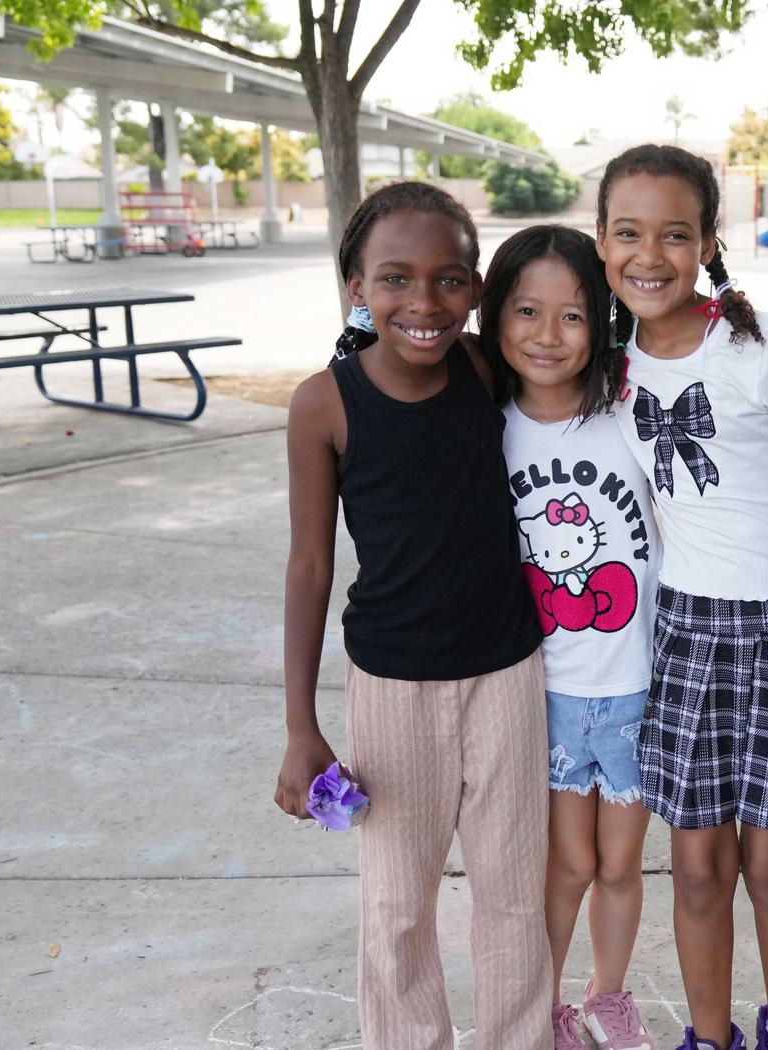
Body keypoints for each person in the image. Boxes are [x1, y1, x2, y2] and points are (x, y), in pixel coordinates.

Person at [275, 181, 550, 1050]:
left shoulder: (481, 370)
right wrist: (298, 726)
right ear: (356, 284)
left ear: (476, 288)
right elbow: (310, 563)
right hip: (391, 684)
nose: (425, 303)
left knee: (513, 891)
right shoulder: (324, 402)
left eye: (451, 279)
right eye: (395, 278)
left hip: (508, 672)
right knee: (398, 901)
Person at [598, 144, 768, 1050]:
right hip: (683, 630)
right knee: (695, 867)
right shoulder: (605, 359)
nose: (648, 256)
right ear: (601, 239)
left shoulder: (760, 341)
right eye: (627, 233)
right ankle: (708, 1036)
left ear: (706, 243)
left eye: (674, 234)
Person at [483, 225, 662, 1050]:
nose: (547, 336)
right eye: (526, 311)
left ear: (603, 322)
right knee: (568, 867)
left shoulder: (627, 415)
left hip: (635, 687)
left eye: (572, 316)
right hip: (545, 696)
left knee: (621, 865)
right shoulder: (484, 430)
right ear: (496, 315)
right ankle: (546, 1007)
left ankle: (609, 996)